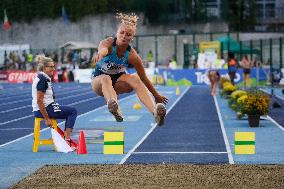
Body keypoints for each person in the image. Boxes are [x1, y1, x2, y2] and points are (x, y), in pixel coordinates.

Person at [91, 13, 168, 126]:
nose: (124, 36)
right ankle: (115, 109)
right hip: (99, 82)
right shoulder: (108, 43)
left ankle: (155, 112)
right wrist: (100, 54)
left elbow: (144, 78)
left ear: (132, 38)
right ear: (117, 33)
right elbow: (103, 50)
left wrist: (156, 95)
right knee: (106, 78)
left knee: (136, 78)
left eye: (128, 34)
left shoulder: (132, 56)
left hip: (118, 82)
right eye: (121, 33)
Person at [32, 55, 77, 142]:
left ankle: (64, 136)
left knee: (67, 109)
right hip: (45, 109)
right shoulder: (43, 80)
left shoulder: (42, 77)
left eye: (54, 66)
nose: (54, 69)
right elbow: (39, 100)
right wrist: (47, 119)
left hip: (46, 107)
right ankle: (67, 137)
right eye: (51, 67)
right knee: (72, 111)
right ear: (44, 68)